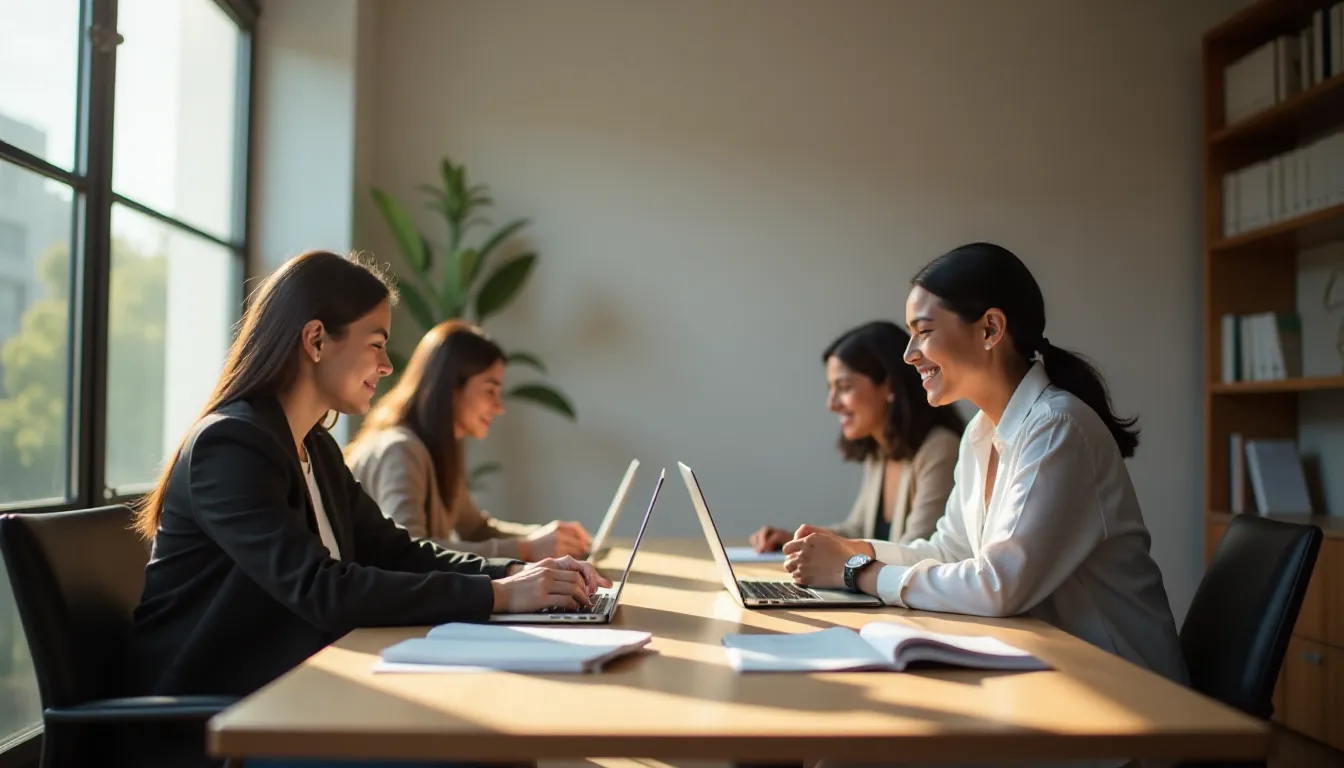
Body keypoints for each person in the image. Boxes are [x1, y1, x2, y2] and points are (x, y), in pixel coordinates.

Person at [126, 250, 607, 768]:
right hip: (225, 720)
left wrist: (518, 574)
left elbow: (394, 550)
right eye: (376, 344)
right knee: (484, 754)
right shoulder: (232, 446)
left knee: (495, 741)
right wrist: (498, 595)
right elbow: (321, 589)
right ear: (315, 340)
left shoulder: (313, 444)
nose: (387, 365)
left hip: (299, 691)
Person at [783, 242, 1189, 695]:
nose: (908, 354)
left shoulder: (1058, 426)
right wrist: (860, 550)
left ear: (991, 329)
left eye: (924, 331)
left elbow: (999, 585)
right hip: (1045, 675)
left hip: (1122, 695)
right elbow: (951, 550)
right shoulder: (981, 432)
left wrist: (857, 571)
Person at [345, 320, 590, 561]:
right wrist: (526, 549)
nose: (499, 407)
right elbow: (410, 551)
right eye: (489, 390)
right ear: (451, 388)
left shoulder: (435, 447)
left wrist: (550, 537)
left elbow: (475, 529)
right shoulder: (400, 450)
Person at [748, 321, 964, 556]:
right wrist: (794, 539)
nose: (832, 404)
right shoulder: (881, 449)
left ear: (888, 385)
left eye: (844, 387)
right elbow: (858, 530)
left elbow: (917, 552)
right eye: (831, 389)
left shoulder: (940, 448)